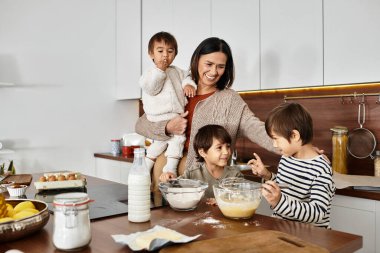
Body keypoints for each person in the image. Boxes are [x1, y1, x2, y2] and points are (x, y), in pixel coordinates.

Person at [136, 37, 277, 193]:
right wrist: (167, 127)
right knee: (164, 217)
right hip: (164, 171)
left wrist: (294, 147)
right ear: (197, 61)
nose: (213, 72)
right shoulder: (179, 85)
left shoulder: (230, 100)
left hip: (203, 181)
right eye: (208, 64)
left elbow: (257, 129)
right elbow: (140, 124)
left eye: (220, 66)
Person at [248, 102, 335, 228]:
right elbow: (286, 186)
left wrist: (279, 201)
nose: (274, 145)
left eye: (276, 138)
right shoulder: (286, 158)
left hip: (309, 238)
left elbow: (317, 212)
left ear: (294, 135)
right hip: (283, 230)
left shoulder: (321, 169)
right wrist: (267, 175)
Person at [140, 31, 197, 176]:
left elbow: (187, 77)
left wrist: (188, 85)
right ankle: (157, 168)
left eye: (170, 51)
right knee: (169, 140)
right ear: (151, 54)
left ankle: (159, 168)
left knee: (167, 142)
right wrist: (160, 71)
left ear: (175, 54)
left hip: (174, 115)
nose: (165, 55)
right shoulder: (149, 74)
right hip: (158, 117)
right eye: (160, 51)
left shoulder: (177, 71)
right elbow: (152, 89)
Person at [160, 124, 244, 198]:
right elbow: (175, 188)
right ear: (203, 152)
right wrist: (169, 179)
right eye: (219, 147)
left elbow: (241, 197)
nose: (226, 152)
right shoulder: (192, 174)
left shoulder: (235, 175)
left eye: (228, 146)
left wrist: (221, 201)